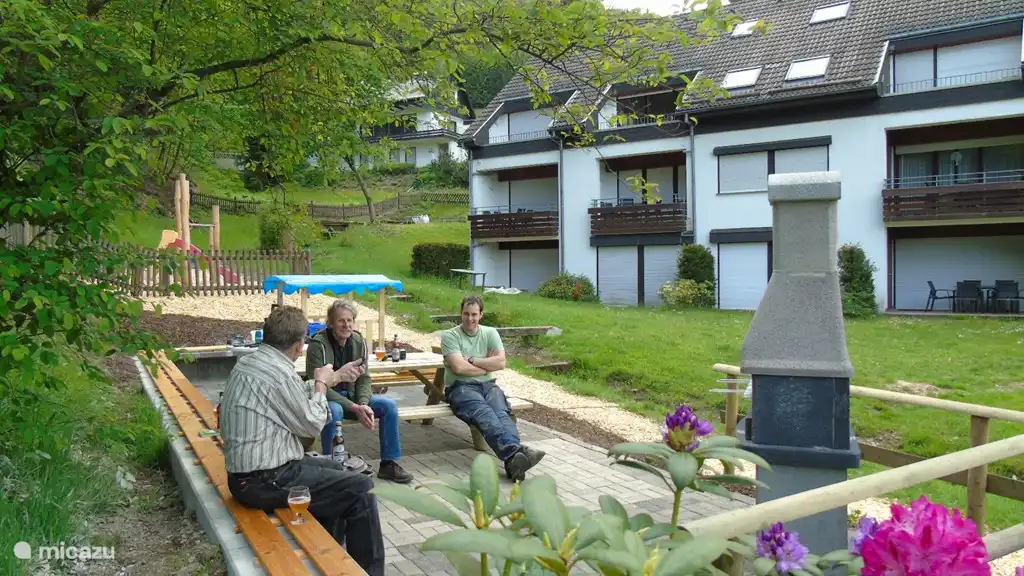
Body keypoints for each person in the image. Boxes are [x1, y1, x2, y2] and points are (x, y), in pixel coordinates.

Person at [221, 305, 385, 576]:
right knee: (361, 487)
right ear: (299, 345)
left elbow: (292, 396)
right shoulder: (278, 374)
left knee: (338, 471)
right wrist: (321, 385)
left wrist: (335, 377)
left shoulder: (254, 361)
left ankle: (330, 557)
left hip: (252, 474)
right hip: (262, 479)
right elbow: (312, 422)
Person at [305, 299, 413, 484]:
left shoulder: (358, 341)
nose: (346, 325)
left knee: (388, 405)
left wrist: (363, 403)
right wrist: (354, 407)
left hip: (354, 397)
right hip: (330, 398)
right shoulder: (318, 345)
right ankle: (332, 468)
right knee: (334, 410)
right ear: (330, 323)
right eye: (341, 321)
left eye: (350, 320)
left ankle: (389, 464)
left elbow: (364, 378)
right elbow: (318, 385)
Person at [440, 295, 545, 482]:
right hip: (460, 388)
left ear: (481, 315)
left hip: (489, 386)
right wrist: (486, 365)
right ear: (460, 313)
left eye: (474, 314)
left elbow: (501, 362)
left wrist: (471, 360)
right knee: (485, 414)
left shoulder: (490, 333)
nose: (469, 318)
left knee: (502, 414)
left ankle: (514, 461)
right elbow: (458, 368)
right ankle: (517, 454)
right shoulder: (450, 336)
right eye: (466, 313)